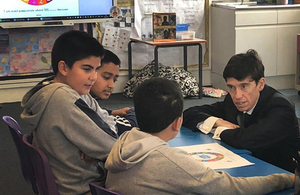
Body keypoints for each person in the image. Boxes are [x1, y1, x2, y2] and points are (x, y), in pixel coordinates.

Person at [104, 77, 295, 195]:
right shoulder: (172, 163)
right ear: (177, 122)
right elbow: (232, 189)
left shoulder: (122, 144)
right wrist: (287, 179)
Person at [21, 30, 117, 195]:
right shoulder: (64, 99)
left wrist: (92, 147)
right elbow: (111, 147)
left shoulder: (63, 90)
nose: (93, 77)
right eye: (87, 69)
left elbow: (105, 118)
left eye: (96, 70)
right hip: (83, 188)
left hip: (72, 181)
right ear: (64, 67)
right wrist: (98, 144)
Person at [183, 49, 300, 173]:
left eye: (244, 86)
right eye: (231, 87)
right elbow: (189, 113)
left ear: (260, 84)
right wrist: (217, 121)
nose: (237, 95)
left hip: (281, 174)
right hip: (247, 165)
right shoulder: (232, 100)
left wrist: (220, 130)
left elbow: (245, 140)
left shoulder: (281, 107)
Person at [90, 49, 138, 135]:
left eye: (115, 80)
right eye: (106, 77)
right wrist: (132, 112)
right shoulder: (79, 102)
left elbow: (96, 110)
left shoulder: (87, 99)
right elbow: (129, 126)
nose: (111, 85)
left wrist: (112, 112)